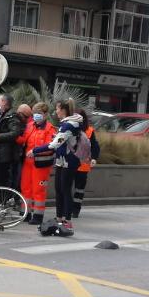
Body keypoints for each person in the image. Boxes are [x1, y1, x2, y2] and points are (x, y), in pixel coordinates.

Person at [35, 100, 84, 233]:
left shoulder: (69, 125)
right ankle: (59, 218)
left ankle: (67, 221)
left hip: (69, 162)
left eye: (57, 108)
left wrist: (34, 151)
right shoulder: (66, 124)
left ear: (63, 110)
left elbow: (54, 145)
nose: (55, 111)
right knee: (59, 189)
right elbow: (60, 141)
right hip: (62, 161)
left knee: (65, 190)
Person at [18, 102, 56, 225]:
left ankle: (38, 216)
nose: (36, 116)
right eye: (34, 114)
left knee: (38, 190)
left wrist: (35, 152)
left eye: (39, 114)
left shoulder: (50, 129)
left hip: (41, 164)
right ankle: (26, 213)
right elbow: (23, 139)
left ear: (45, 114)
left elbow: (50, 146)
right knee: (26, 188)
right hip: (28, 163)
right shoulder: (30, 126)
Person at [71, 109, 100, 219]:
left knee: (79, 189)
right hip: (71, 163)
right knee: (68, 187)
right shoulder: (70, 128)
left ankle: (76, 209)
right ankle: (68, 208)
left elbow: (95, 146)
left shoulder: (89, 131)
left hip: (83, 165)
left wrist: (94, 158)